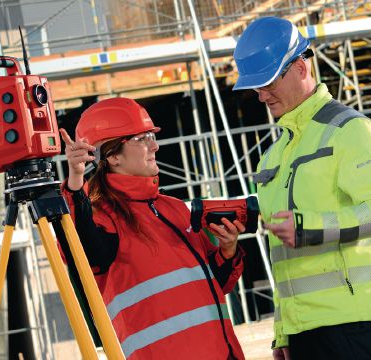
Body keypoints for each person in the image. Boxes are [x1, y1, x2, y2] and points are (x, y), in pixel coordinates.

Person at [232, 17, 371, 360]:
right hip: (303, 335)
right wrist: (282, 332)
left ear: (299, 68)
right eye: (256, 87)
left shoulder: (350, 131)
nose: (261, 95)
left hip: (357, 327)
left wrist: (308, 227)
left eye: (268, 82)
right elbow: (285, 260)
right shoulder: (274, 156)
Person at [58, 97, 247, 360]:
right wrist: (76, 185)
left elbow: (215, 286)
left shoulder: (174, 209)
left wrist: (227, 251)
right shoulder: (102, 218)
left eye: (152, 136)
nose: (155, 146)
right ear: (112, 155)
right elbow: (82, 249)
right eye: (142, 139)